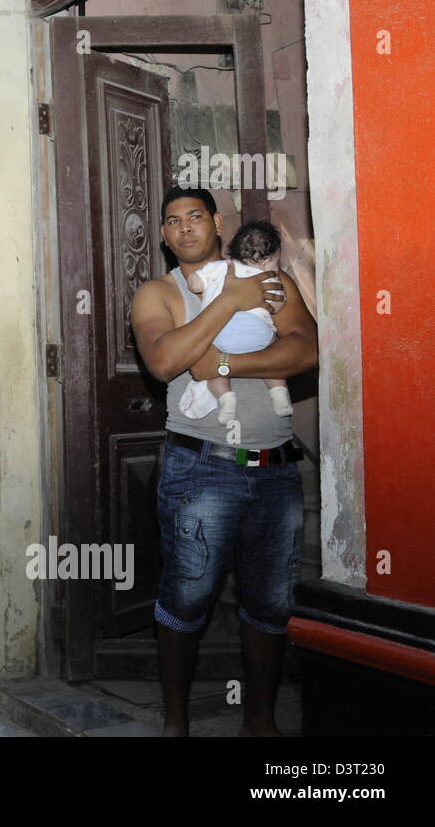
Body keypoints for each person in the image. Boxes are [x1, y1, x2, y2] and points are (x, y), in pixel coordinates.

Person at [130, 187, 318, 736]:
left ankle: (259, 723)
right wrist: (230, 302)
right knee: (187, 597)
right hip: (201, 471)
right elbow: (166, 361)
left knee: (270, 601)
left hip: (278, 470)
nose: (184, 227)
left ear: (216, 222)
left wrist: (225, 362)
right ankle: (176, 724)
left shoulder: (271, 280)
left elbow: (304, 350)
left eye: (195, 216)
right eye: (172, 222)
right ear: (164, 237)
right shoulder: (157, 295)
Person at [178, 219, 293, 424]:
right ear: (267, 261)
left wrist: (202, 282)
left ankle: (225, 398)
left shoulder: (221, 267)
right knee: (273, 351)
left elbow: (194, 284)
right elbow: (276, 306)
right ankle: (278, 393)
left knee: (211, 364)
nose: (277, 267)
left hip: (222, 333)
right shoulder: (270, 277)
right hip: (258, 335)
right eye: (277, 262)